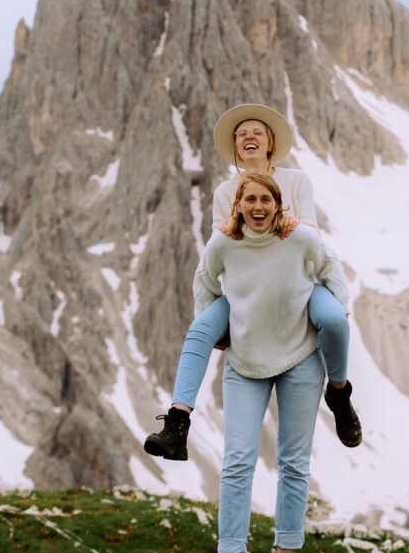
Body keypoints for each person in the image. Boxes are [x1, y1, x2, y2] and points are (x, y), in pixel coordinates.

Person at [144, 104, 361, 461]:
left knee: (335, 320)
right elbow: (222, 252)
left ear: (270, 143)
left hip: (299, 284)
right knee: (199, 329)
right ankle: (177, 424)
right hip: (246, 287)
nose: (249, 137)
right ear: (235, 146)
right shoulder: (223, 193)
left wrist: (285, 220)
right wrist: (217, 324)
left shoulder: (296, 182)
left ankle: (339, 393)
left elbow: (313, 240)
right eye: (241, 133)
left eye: (257, 132)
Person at [194, 173, 349, 553]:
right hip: (244, 361)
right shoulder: (224, 243)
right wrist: (218, 327)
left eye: (265, 199)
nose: (257, 206)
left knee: (294, 463)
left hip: (300, 356)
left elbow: (332, 270)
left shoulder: (300, 238)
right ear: (238, 205)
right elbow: (204, 283)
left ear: (278, 205)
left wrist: (341, 312)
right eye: (250, 200)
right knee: (238, 461)